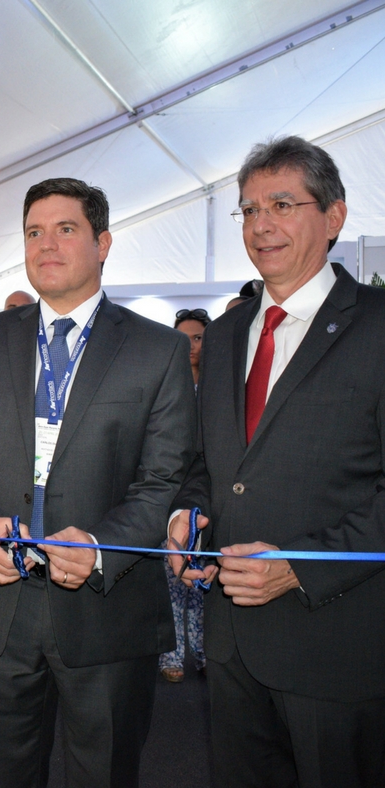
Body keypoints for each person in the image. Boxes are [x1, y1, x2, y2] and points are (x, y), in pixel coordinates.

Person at [0, 177, 196, 787]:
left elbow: (165, 477)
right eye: (33, 232)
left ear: (103, 243)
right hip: (0, 604)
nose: (46, 244)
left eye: (65, 229)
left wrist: (102, 546)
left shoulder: (156, 350)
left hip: (108, 607)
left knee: (102, 773)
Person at [170, 135, 385, 787]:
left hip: (337, 646)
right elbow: (210, 461)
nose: (261, 224)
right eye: (248, 209)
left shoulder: (376, 326)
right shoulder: (230, 331)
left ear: (335, 216)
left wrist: (300, 567)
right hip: (233, 648)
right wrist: (190, 513)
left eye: (282, 204)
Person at [158, 307, 210, 683]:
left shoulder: (222, 386)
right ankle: (172, 656)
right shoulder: (165, 383)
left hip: (210, 497)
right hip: (168, 495)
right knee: (172, 581)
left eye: (197, 337)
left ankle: (205, 652)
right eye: (183, 338)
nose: (190, 345)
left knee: (205, 580)